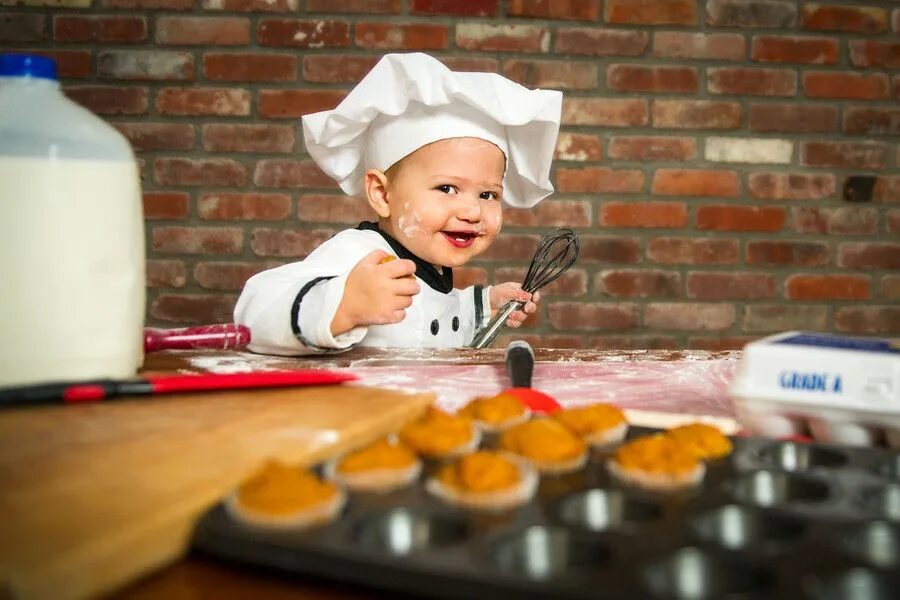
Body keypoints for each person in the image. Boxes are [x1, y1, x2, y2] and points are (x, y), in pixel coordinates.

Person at [234, 53, 562, 355]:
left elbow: (436, 315)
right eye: (447, 188)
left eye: (487, 194)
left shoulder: (431, 265)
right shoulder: (359, 254)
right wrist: (342, 304)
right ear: (382, 194)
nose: (472, 211)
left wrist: (487, 305)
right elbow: (254, 313)